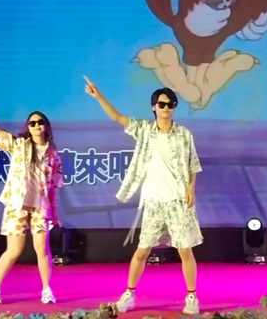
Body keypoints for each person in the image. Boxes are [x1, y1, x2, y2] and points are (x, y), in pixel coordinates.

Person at [83, 77, 202, 315]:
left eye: (171, 104)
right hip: (153, 202)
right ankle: (129, 293)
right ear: (154, 106)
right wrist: (98, 96)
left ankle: (191, 297)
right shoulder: (145, 130)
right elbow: (117, 117)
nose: (166, 108)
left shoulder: (183, 134)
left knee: (185, 250)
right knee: (142, 251)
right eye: (162, 104)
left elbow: (193, 165)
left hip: (178, 201)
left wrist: (191, 189)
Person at [0, 90, 63, 305]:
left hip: (41, 207)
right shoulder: (20, 145)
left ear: (46, 126)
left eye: (40, 122)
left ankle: (47, 290)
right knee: (14, 251)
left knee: (42, 249)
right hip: (17, 205)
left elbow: (54, 187)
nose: (37, 126)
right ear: (28, 127)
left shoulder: (53, 154)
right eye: (32, 123)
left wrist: (55, 213)